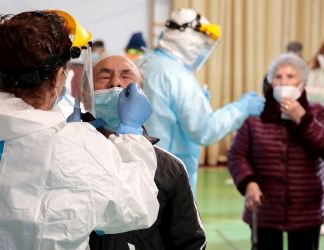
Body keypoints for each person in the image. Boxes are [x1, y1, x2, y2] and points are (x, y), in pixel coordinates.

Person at [0, 10, 160, 250]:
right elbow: (138, 207)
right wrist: (132, 134)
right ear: (59, 77)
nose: (115, 82)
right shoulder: (81, 148)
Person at [136, 8, 265, 193]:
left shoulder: (144, 62)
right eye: (202, 43)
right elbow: (204, 130)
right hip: (168, 174)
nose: (203, 50)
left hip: (139, 168)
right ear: (190, 40)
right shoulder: (178, 76)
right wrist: (241, 109)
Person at [85, 55, 206, 249]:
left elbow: (190, 240)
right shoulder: (73, 156)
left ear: (143, 95)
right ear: (86, 93)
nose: (115, 83)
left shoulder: (169, 167)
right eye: (104, 76)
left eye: (126, 76)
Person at [228, 53, 324, 250]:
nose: (284, 82)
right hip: (265, 209)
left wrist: (302, 118)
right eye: (278, 77)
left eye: (291, 77)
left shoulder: (317, 113)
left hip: (306, 210)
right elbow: (237, 155)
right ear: (271, 83)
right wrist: (249, 183)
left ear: (302, 83)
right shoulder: (255, 118)